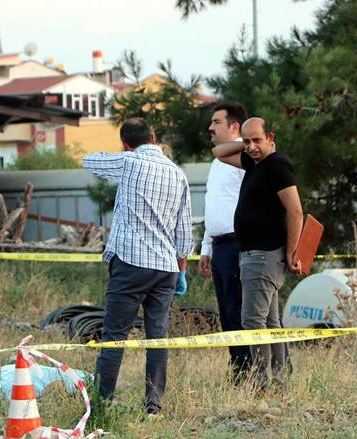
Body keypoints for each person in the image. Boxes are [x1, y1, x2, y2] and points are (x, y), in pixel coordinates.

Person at [82, 118, 193, 417]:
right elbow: (184, 232)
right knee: (158, 336)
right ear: (154, 138)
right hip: (166, 267)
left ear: (125, 144)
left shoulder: (128, 163)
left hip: (131, 263)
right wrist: (180, 270)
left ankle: (100, 408)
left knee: (115, 336)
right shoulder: (177, 174)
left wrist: (122, 156)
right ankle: (153, 406)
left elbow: (89, 160)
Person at [212, 117, 303, 395]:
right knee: (270, 322)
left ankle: (262, 384)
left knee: (253, 321)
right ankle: (277, 384)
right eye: (247, 140)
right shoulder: (255, 163)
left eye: (257, 140)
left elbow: (295, 211)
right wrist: (245, 143)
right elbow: (218, 152)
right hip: (253, 254)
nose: (251, 146)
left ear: (271, 138)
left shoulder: (277, 166)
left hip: (264, 255)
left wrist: (291, 252)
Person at [200, 101, 252, 381]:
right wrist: (206, 247)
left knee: (241, 310)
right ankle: (239, 368)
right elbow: (214, 205)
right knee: (226, 314)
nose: (210, 127)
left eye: (216, 122)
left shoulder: (246, 156)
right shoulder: (216, 163)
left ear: (234, 127)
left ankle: (252, 370)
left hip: (237, 243)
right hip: (219, 245)